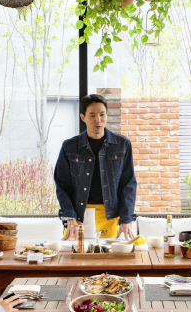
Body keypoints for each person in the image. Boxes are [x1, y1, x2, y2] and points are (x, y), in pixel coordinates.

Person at [55, 94, 137, 240]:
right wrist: (69, 217)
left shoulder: (122, 145)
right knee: (75, 260)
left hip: (109, 215)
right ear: (83, 117)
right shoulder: (69, 146)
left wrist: (126, 219)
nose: (98, 120)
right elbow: (62, 186)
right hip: (78, 216)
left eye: (102, 114)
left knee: (108, 260)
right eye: (92, 115)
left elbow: (128, 184)